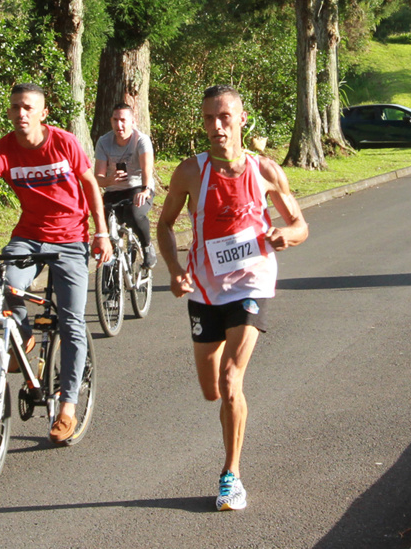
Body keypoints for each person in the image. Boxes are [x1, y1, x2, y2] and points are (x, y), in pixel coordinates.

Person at [0, 83, 112, 444]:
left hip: (70, 239)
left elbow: (91, 185)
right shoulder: (4, 149)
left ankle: (68, 407)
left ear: (43, 113)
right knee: (8, 284)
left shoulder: (64, 143)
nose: (21, 113)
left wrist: (100, 233)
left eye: (28, 107)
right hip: (27, 235)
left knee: (72, 321)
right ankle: (23, 337)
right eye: (15, 107)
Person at [156, 85, 308, 511]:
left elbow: (300, 224)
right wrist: (175, 271)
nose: (216, 126)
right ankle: (229, 425)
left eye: (224, 117)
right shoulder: (189, 172)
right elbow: (164, 226)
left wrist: (285, 235)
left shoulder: (266, 171)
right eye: (209, 118)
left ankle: (231, 475)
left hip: (251, 285)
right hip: (205, 289)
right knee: (210, 390)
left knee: (230, 379)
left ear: (242, 119)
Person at [94, 103, 157, 268]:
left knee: (134, 214)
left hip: (138, 186)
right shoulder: (104, 142)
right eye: (115, 120)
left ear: (132, 121)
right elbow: (98, 178)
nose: (119, 125)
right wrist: (109, 180)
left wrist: (145, 190)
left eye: (123, 120)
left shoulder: (141, 140)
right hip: (113, 190)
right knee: (105, 224)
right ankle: (110, 272)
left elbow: (146, 169)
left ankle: (147, 246)